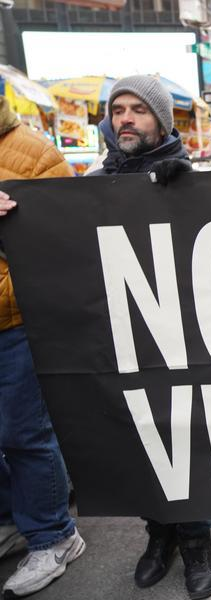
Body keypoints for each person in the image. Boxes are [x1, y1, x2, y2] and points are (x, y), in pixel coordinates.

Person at [89, 75, 211, 600]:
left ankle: (195, 541)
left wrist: (189, 192)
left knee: (182, 439)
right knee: (136, 439)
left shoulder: (189, 176)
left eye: (139, 110)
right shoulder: (94, 181)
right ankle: (157, 534)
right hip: (121, 337)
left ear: (161, 122)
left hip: (180, 338)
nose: (125, 118)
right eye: (118, 109)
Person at [0, 96, 85, 599]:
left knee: (23, 434)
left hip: (14, 321)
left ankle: (54, 535)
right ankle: (15, 518)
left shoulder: (32, 153)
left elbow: (63, 237)